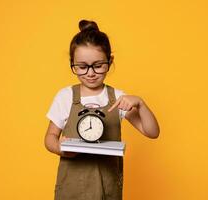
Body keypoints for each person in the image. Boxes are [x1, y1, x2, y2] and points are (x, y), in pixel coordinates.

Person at [44, 19, 160, 200]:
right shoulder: (65, 96)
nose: (90, 73)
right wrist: (60, 148)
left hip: (107, 189)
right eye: (82, 67)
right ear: (72, 63)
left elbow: (152, 132)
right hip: (72, 189)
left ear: (109, 61)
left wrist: (140, 104)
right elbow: (49, 138)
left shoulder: (118, 98)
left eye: (98, 66)